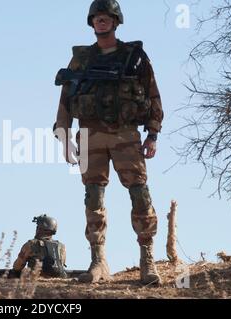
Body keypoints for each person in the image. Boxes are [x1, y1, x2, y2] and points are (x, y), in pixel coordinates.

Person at [53, 0, 163, 285]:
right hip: (90, 135)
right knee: (93, 198)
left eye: (106, 17)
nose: (101, 22)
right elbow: (65, 99)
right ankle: (98, 261)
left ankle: (147, 260)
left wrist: (152, 134)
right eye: (97, 18)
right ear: (92, 23)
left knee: (140, 193)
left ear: (116, 21)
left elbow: (153, 96)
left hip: (126, 134)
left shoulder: (134, 56)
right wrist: (63, 135)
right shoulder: (81, 59)